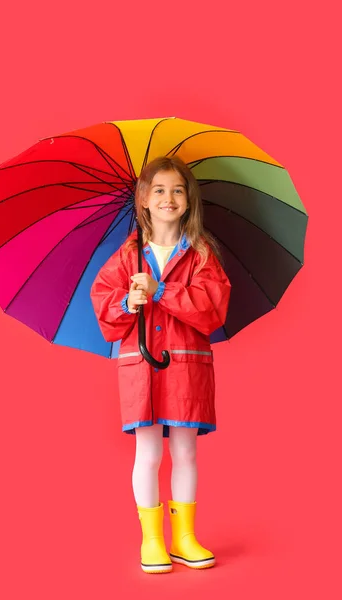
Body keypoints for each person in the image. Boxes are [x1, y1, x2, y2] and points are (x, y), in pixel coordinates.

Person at [90, 156, 231, 574]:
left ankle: (185, 536)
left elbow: (211, 310)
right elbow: (105, 313)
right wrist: (126, 301)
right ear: (143, 201)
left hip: (188, 368)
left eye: (177, 190)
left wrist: (161, 290)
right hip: (139, 367)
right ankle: (152, 540)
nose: (168, 198)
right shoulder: (126, 257)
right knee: (147, 452)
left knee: (186, 451)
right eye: (159, 190)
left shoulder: (203, 255)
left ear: (188, 201)